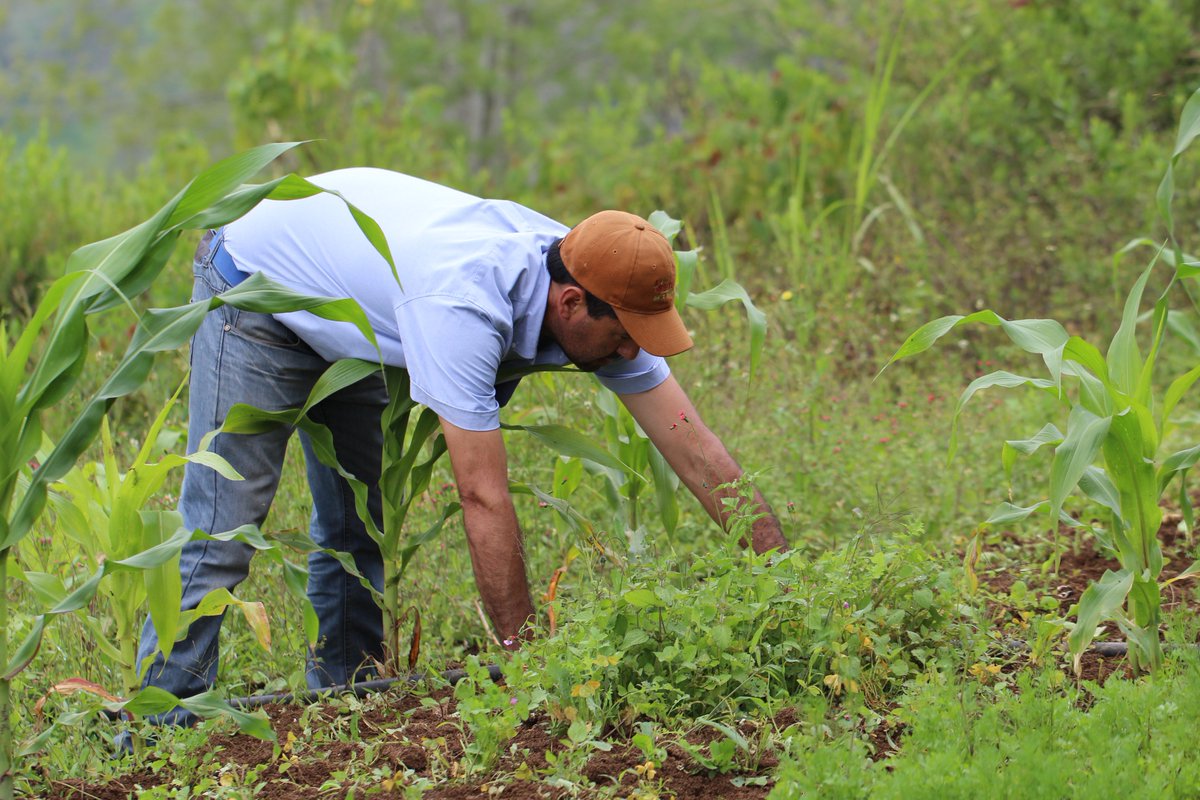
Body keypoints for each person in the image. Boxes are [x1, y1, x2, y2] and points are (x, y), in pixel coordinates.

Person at [136, 168, 787, 712]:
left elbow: (696, 450)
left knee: (356, 517)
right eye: (624, 334)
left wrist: (785, 591)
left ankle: (344, 698)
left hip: (352, 297)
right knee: (222, 528)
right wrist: (531, 671)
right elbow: (482, 497)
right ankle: (156, 727)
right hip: (260, 283)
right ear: (569, 305)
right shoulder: (464, 304)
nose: (630, 350)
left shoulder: (600, 283)